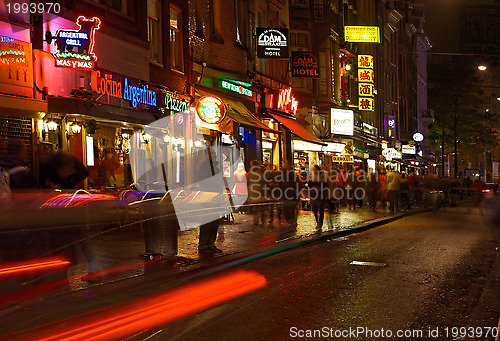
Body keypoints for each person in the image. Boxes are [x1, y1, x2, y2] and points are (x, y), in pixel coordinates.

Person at [196, 148, 224, 255]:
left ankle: (210, 243)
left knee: (214, 222)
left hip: (216, 196)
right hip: (208, 197)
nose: (214, 155)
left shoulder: (214, 166)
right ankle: (203, 245)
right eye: (212, 154)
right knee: (207, 221)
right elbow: (205, 181)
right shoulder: (204, 167)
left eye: (214, 153)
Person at [308, 165, 327, 230]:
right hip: (314, 194)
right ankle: (317, 222)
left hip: (320, 194)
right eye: (313, 169)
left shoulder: (322, 177)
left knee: (321, 209)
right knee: (315, 210)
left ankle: (320, 223)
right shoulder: (312, 176)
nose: (314, 171)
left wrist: (320, 189)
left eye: (315, 169)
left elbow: (325, 185)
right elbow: (309, 184)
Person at [247, 160, 266, 225]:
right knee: (262, 208)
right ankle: (263, 221)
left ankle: (256, 221)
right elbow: (264, 182)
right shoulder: (261, 173)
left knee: (255, 209)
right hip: (260, 192)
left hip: (253, 192)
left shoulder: (250, 173)